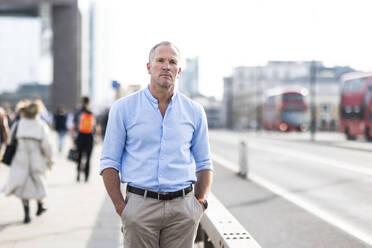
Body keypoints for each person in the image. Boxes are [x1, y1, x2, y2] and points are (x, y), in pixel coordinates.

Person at [100, 41, 213, 248]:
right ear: (148, 67)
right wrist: (121, 207)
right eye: (160, 60)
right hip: (140, 207)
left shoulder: (194, 111)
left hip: (183, 209)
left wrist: (200, 203)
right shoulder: (123, 108)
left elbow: (204, 162)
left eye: (172, 62)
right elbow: (109, 161)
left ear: (178, 71)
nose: (166, 66)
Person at [3, 101, 53, 224]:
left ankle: (26, 213)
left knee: (23, 185)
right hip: (37, 157)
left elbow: (10, 141)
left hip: (21, 157)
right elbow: (47, 145)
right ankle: (40, 204)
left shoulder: (18, 124)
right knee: (39, 182)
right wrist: (49, 159)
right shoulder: (41, 125)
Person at [73, 97, 95, 182]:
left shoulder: (78, 112)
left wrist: (74, 137)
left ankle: (78, 174)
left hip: (80, 136)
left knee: (79, 156)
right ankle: (86, 176)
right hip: (89, 137)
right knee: (88, 158)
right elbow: (94, 127)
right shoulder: (91, 113)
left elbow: (74, 126)